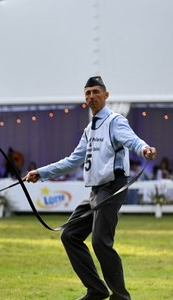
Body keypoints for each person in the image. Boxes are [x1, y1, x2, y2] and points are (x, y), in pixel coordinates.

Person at [23, 76, 157, 300]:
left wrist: (144, 149)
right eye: (87, 93)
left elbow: (133, 140)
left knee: (100, 242)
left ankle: (121, 297)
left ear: (106, 95)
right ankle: (96, 290)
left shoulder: (115, 121)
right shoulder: (89, 129)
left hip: (112, 187)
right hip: (95, 191)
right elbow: (72, 160)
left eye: (96, 92)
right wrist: (41, 173)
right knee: (70, 235)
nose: (91, 96)